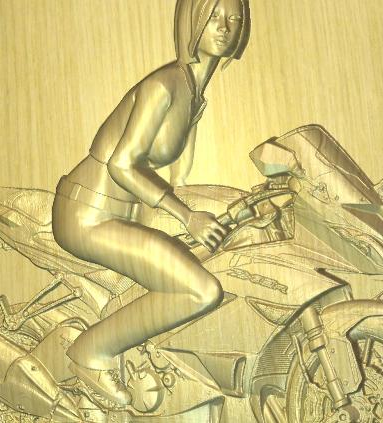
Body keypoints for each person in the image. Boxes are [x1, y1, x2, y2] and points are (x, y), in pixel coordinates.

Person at [51, 0, 251, 406]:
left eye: (234, 19)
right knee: (201, 291)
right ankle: (90, 352)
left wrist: (239, 207)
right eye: (214, 16)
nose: (225, 27)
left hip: (123, 216)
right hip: (89, 215)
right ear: (192, 20)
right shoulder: (164, 86)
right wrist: (187, 217)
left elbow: (179, 178)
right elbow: (122, 164)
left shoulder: (194, 93)